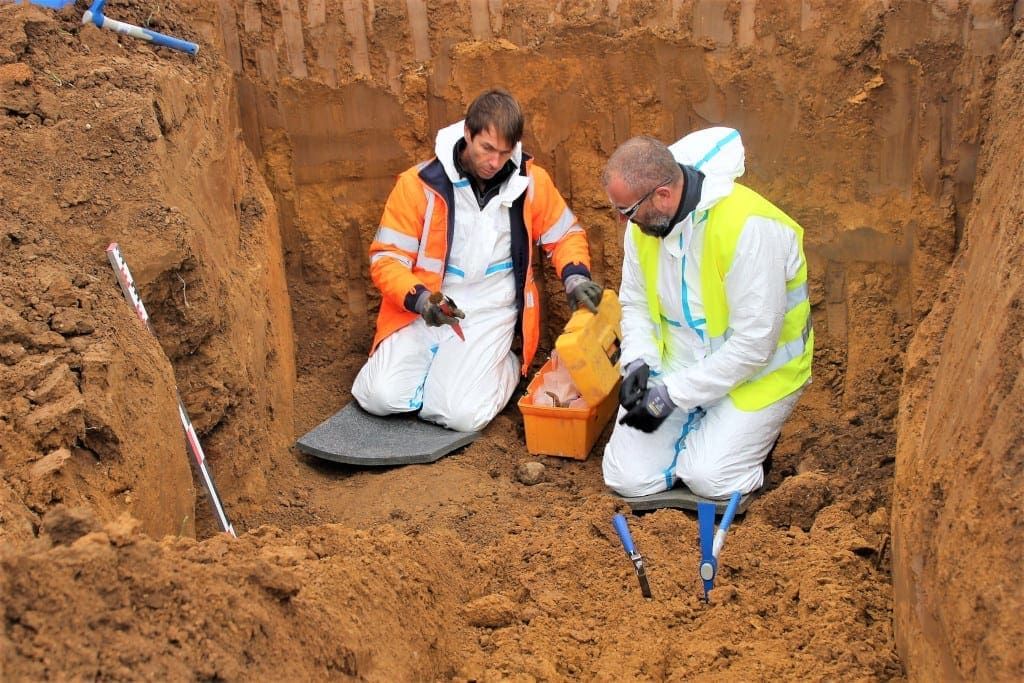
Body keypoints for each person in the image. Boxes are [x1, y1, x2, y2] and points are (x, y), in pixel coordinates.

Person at [352, 89, 602, 433]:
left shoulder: (531, 183)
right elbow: (387, 259)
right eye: (487, 149)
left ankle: (507, 365)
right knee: (378, 397)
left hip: (489, 310)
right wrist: (422, 299)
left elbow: (566, 235)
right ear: (467, 134)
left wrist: (575, 277)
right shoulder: (420, 184)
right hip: (426, 304)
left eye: (504, 152)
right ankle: (440, 373)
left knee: (459, 415)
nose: (495, 162)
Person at [600, 128, 812, 499]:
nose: (623, 222)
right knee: (626, 478)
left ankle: (743, 451)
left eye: (627, 211)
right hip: (678, 371)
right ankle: (702, 435)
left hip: (755, 378)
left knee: (709, 479)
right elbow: (634, 303)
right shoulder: (644, 227)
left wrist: (673, 396)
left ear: (663, 196)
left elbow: (753, 347)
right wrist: (638, 362)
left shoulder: (749, 229)